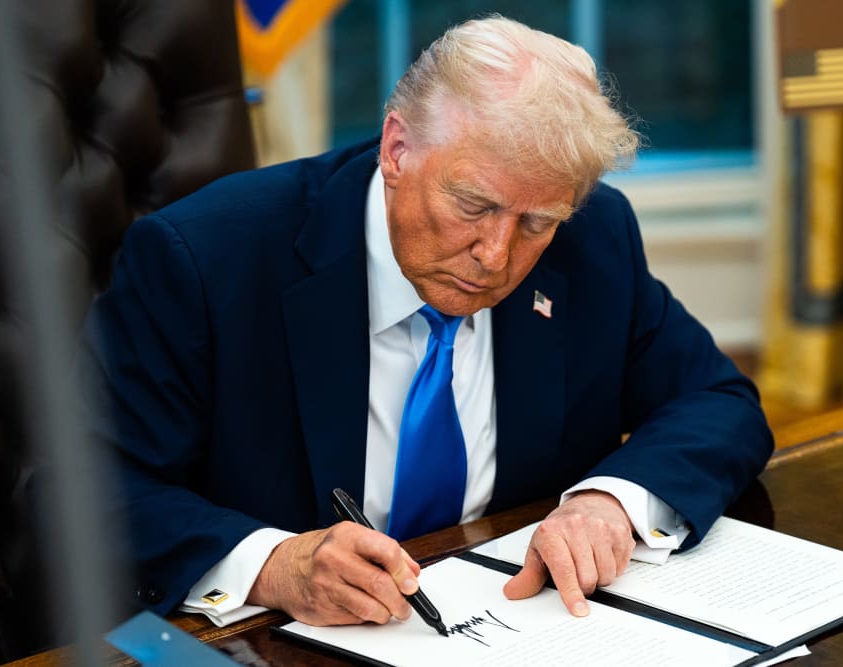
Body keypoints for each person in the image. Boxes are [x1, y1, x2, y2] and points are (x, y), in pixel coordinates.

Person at [80, 15, 773, 631]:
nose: (497, 257)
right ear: (396, 150)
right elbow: (92, 492)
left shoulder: (594, 240)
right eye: (473, 205)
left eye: (536, 223)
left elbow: (718, 401)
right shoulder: (205, 260)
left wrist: (609, 503)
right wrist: (274, 563)